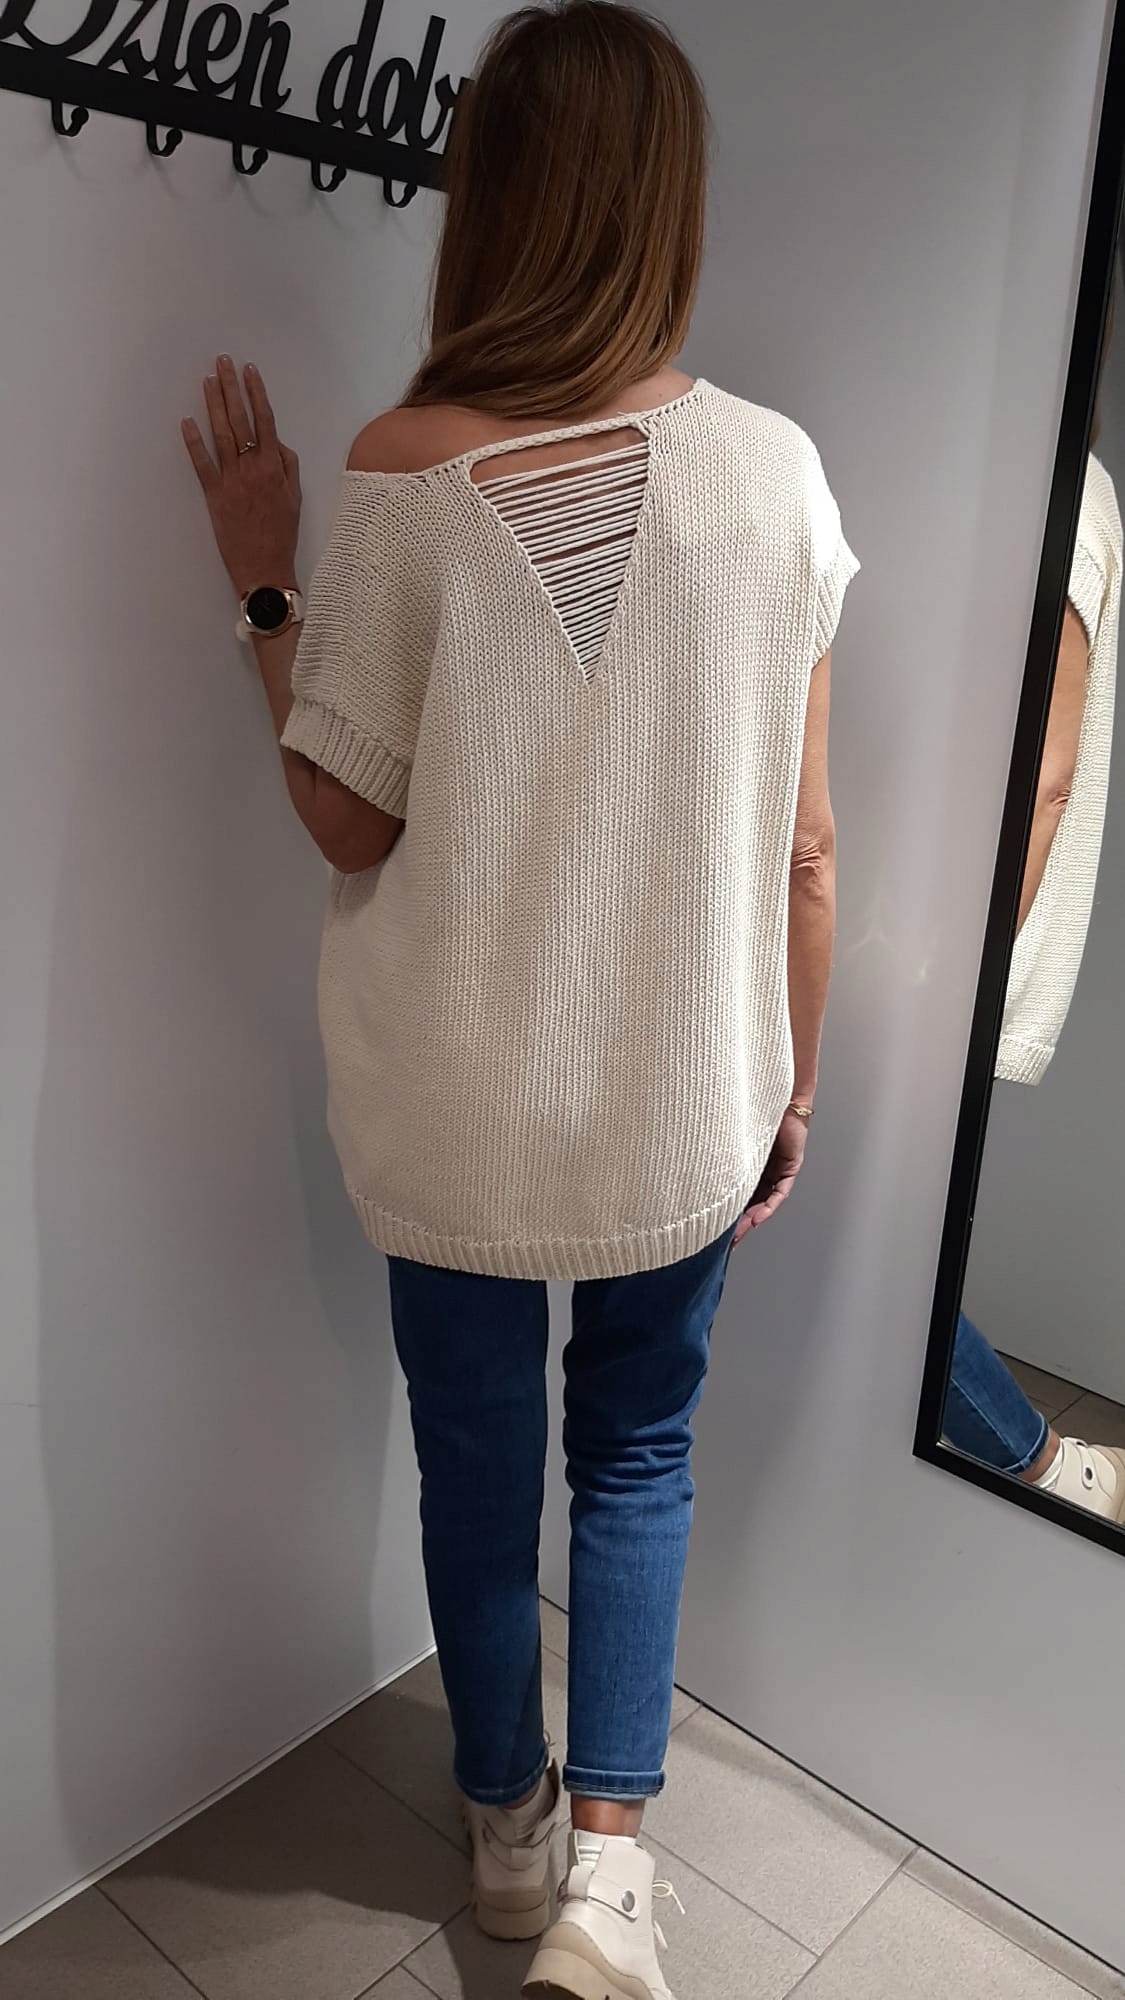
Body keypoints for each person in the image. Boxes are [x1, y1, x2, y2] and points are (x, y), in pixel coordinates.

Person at [181, 6, 857, 1995]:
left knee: (475, 1474)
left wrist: (264, 580)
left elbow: (343, 816)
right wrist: (792, 1085)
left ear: (485, 199)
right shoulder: (776, 479)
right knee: (634, 1457)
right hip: (680, 1091)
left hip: (456, 1103)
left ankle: (502, 1833)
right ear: (667, 208)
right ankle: (612, 1887)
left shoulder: (400, 477)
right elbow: (810, 849)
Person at [942, 448, 1124, 1523]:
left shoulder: (1068, 493)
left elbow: (1045, 779)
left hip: (948, 966)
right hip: (921, 954)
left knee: (862, 1253)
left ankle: (1050, 1465)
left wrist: (952, 988)